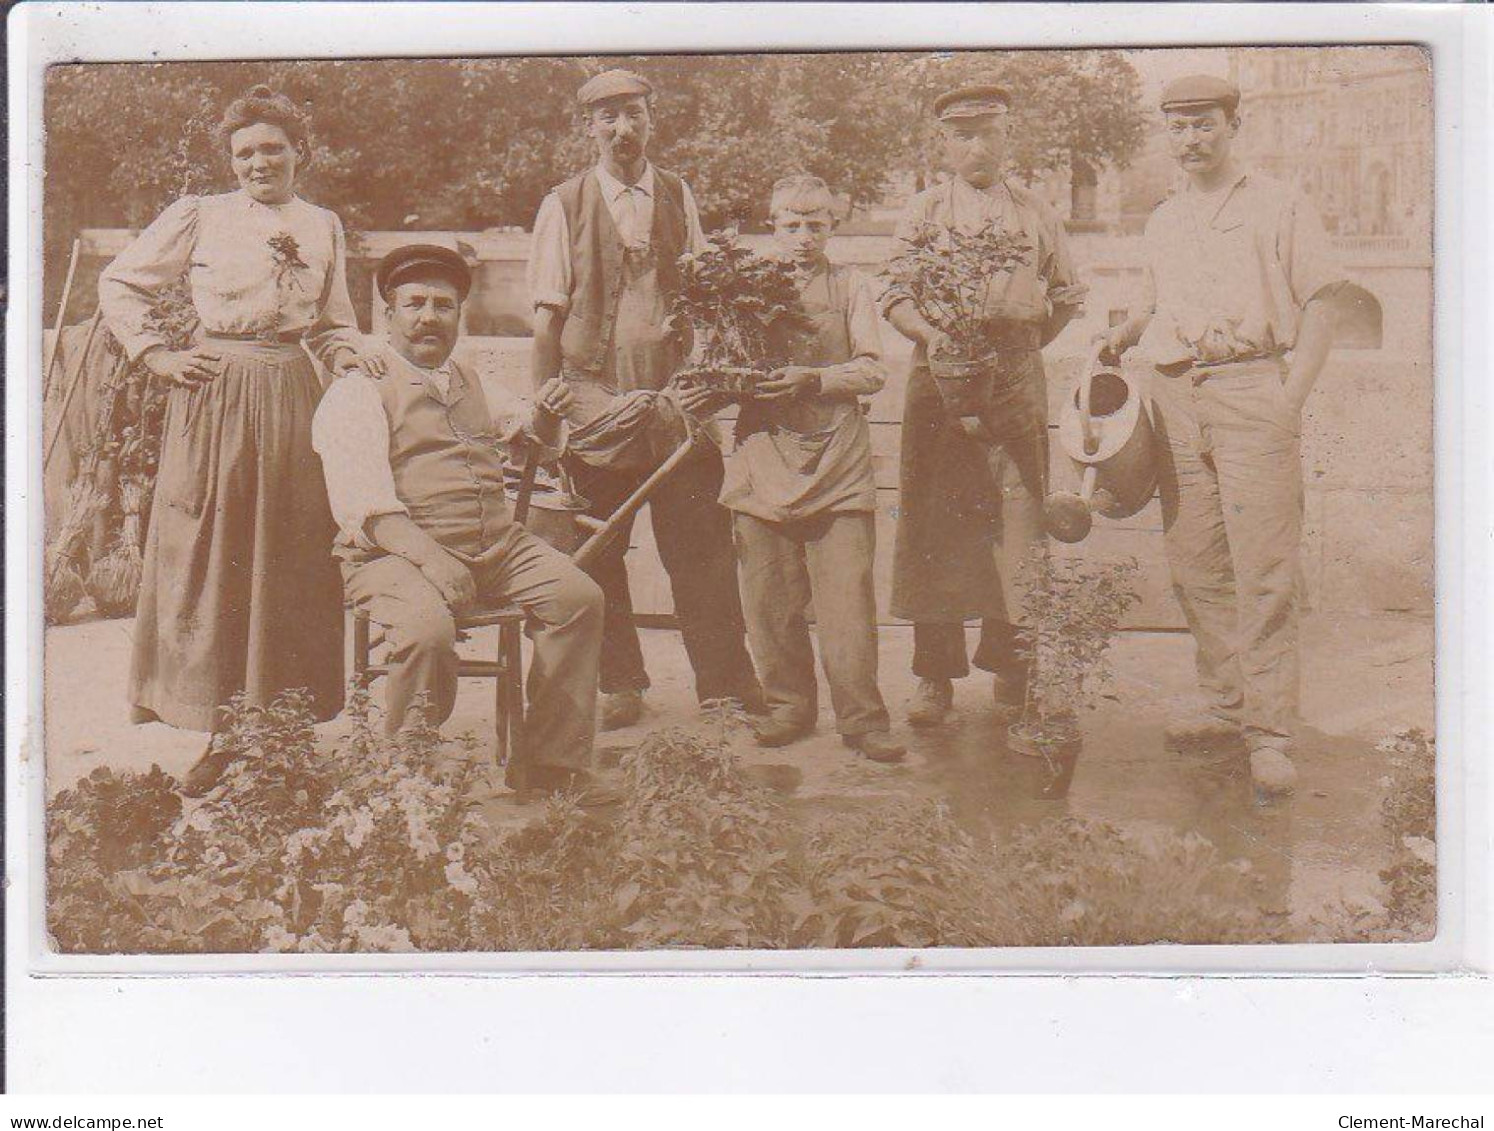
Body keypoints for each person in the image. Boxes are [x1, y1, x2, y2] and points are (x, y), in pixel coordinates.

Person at [98, 84, 373, 795]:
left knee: (289, 556)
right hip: (212, 395)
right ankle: (223, 733)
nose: (259, 162)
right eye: (245, 151)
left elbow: (333, 320)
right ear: (231, 161)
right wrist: (157, 355)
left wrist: (348, 357)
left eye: (272, 148)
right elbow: (120, 282)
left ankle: (285, 731)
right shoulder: (200, 215)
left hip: (290, 395)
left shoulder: (322, 224)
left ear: (298, 154)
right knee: (217, 556)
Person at [1096, 75, 1347, 798]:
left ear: (1235, 124)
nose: (1190, 141)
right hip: (1176, 393)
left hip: (1250, 389)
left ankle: (1269, 732)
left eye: (1204, 125)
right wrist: (1124, 331)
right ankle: (1224, 702)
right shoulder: (1166, 217)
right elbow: (1156, 302)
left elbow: (1325, 301)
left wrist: (1287, 398)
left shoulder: (1280, 204)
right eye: (1176, 128)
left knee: (1263, 568)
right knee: (1195, 560)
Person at [312, 243, 610, 801]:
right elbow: (366, 510)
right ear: (388, 315)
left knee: (579, 599)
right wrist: (435, 561)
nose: (429, 317)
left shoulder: (470, 379)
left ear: (458, 316)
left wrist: (545, 413)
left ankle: (551, 767)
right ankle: (408, 778)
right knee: (428, 634)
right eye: (415, 304)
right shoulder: (357, 391)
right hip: (393, 555)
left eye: (443, 306)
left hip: (496, 544)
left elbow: (531, 440)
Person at [526, 68, 762, 732]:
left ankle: (722, 684)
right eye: (608, 118)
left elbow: (702, 299)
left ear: (652, 121)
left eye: (634, 115)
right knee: (598, 548)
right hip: (595, 402)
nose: (623, 129)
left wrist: (700, 382)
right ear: (588, 129)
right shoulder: (563, 205)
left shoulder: (678, 194)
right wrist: (550, 415)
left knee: (704, 544)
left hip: (672, 402)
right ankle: (621, 683)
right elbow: (545, 323)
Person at [882, 82, 1085, 729]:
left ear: (1007, 137)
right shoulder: (923, 212)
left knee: (1018, 526)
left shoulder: (1034, 212)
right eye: (963, 134)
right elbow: (892, 293)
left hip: (1015, 384)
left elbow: (1069, 294)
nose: (977, 147)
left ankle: (1014, 670)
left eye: (989, 133)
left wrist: (1022, 350)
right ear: (943, 143)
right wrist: (935, 335)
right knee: (936, 525)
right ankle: (934, 678)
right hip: (938, 381)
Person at [711, 174, 904, 764]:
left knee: (847, 600)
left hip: (837, 459)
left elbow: (873, 369)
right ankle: (788, 706)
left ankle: (863, 719)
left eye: (815, 224)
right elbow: (712, 366)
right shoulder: (740, 289)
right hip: (762, 453)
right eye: (791, 225)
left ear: (832, 227)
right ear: (773, 226)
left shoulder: (851, 287)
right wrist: (734, 380)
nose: (803, 237)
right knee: (768, 598)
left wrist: (815, 378)